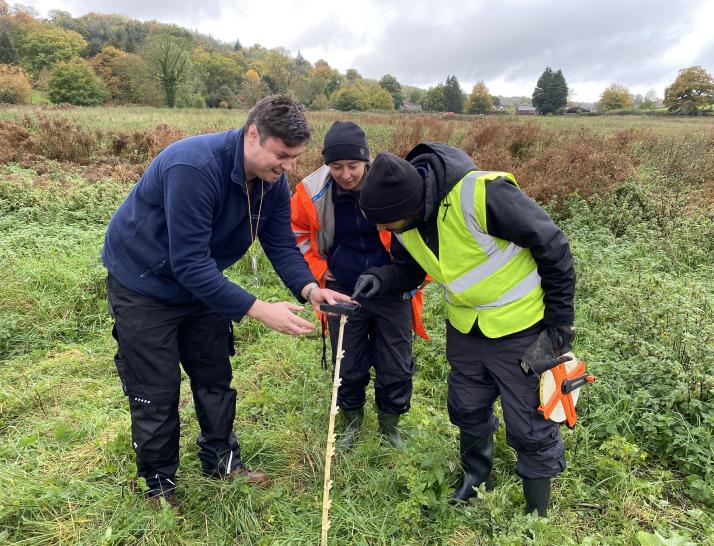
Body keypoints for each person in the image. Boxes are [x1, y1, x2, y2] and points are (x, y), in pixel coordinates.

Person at [102, 95, 350, 508]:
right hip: (144, 285)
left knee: (214, 374)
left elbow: (279, 241)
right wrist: (257, 308)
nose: (288, 167)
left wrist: (310, 289)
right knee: (156, 388)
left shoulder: (272, 180)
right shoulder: (194, 168)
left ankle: (222, 461)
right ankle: (159, 485)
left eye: (294, 158)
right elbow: (188, 262)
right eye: (282, 155)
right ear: (253, 135)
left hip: (200, 284)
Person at [353, 143, 576, 516]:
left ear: (409, 205)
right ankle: (475, 481)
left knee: (530, 418)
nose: (381, 229)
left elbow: (552, 245)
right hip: (465, 328)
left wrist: (559, 324)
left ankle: (537, 511)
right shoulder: (404, 220)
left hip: (522, 327)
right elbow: (409, 269)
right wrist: (382, 277)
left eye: (385, 223)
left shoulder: (483, 194)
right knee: (467, 406)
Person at [291, 121, 427, 449]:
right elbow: (298, 236)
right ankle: (351, 424)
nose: (346, 175)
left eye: (353, 166)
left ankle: (390, 428)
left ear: (367, 160)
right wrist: (322, 274)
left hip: (392, 289)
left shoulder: (392, 184)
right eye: (336, 167)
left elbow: (421, 235)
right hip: (342, 289)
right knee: (347, 363)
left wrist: (401, 278)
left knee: (395, 365)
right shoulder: (311, 192)